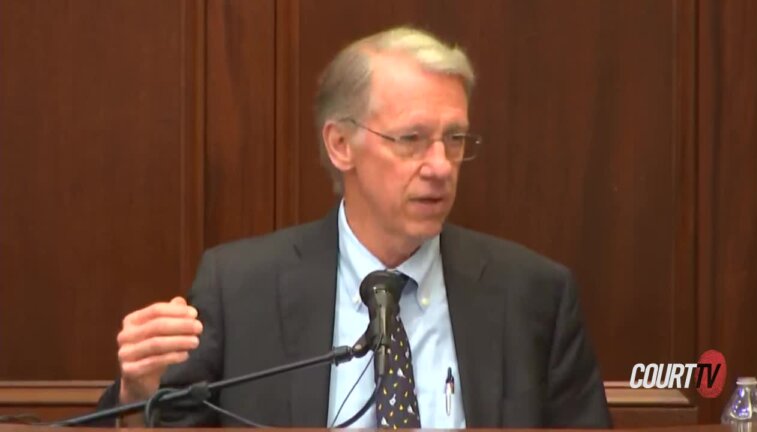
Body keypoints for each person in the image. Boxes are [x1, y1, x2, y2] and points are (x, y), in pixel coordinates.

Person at [97, 26, 611, 428]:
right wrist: (139, 393)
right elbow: (173, 421)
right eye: (411, 138)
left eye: (454, 139)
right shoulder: (239, 287)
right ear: (341, 145)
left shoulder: (534, 295)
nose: (439, 165)